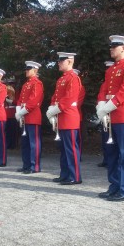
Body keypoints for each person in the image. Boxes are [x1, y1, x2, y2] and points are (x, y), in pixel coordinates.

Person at [96, 35, 124, 201]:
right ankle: (114, 186)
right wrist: (100, 104)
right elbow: (103, 89)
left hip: (123, 115)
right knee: (112, 154)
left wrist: (108, 105)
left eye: (115, 46)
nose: (111, 48)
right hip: (110, 115)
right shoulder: (111, 70)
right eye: (111, 46)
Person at [47, 52, 82, 185]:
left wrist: (54, 109)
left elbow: (69, 99)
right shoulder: (61, 79)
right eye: (59, 61)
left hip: (69, 117)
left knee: (71, 149)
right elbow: (55, 97)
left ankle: (75, 176)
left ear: (70, 62)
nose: (59, 63)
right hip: (61, 116)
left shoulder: (73, 78)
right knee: (63, 149)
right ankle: (65, 174)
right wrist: (51, 109)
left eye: (62, 61)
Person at [15, 61, 44, 173]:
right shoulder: (26, 84)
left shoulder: (37, 83)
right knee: (25, 143)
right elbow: (20, 99)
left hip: (32, 116)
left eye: (29, 69)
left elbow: (33, 102)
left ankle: (34, 166)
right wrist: (18, 110)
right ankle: (26, 164)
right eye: (26, 69)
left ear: (35, 70)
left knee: (34, 143)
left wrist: (21, 112)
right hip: (24, 116)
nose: (26, 71)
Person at [97, 61, 115, 168]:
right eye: (106, 69)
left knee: (112, 138)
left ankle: (111, 160)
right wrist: (101, 109)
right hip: (105, 112)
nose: (107, 71)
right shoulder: (104, 84)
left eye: (109, 68)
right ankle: (106, 158)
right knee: (105, 137)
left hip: (113, 112)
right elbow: (101, 96)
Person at [73, 69, 86, 156]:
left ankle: (78, 154)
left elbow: (78, 103)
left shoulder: (81, 88)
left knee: (77, 138)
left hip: (76, 115)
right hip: (66, 114)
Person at [5, 79, 18, 149]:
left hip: (13, 113)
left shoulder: (16, 92)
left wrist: (9, 100)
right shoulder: (7, 92)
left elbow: (17, 102)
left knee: (13, 130)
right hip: (7, 113)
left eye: (12, 83)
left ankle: (13, 144)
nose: (11, 85)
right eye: (10, 84)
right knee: (8, 130)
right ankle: (8, 144)